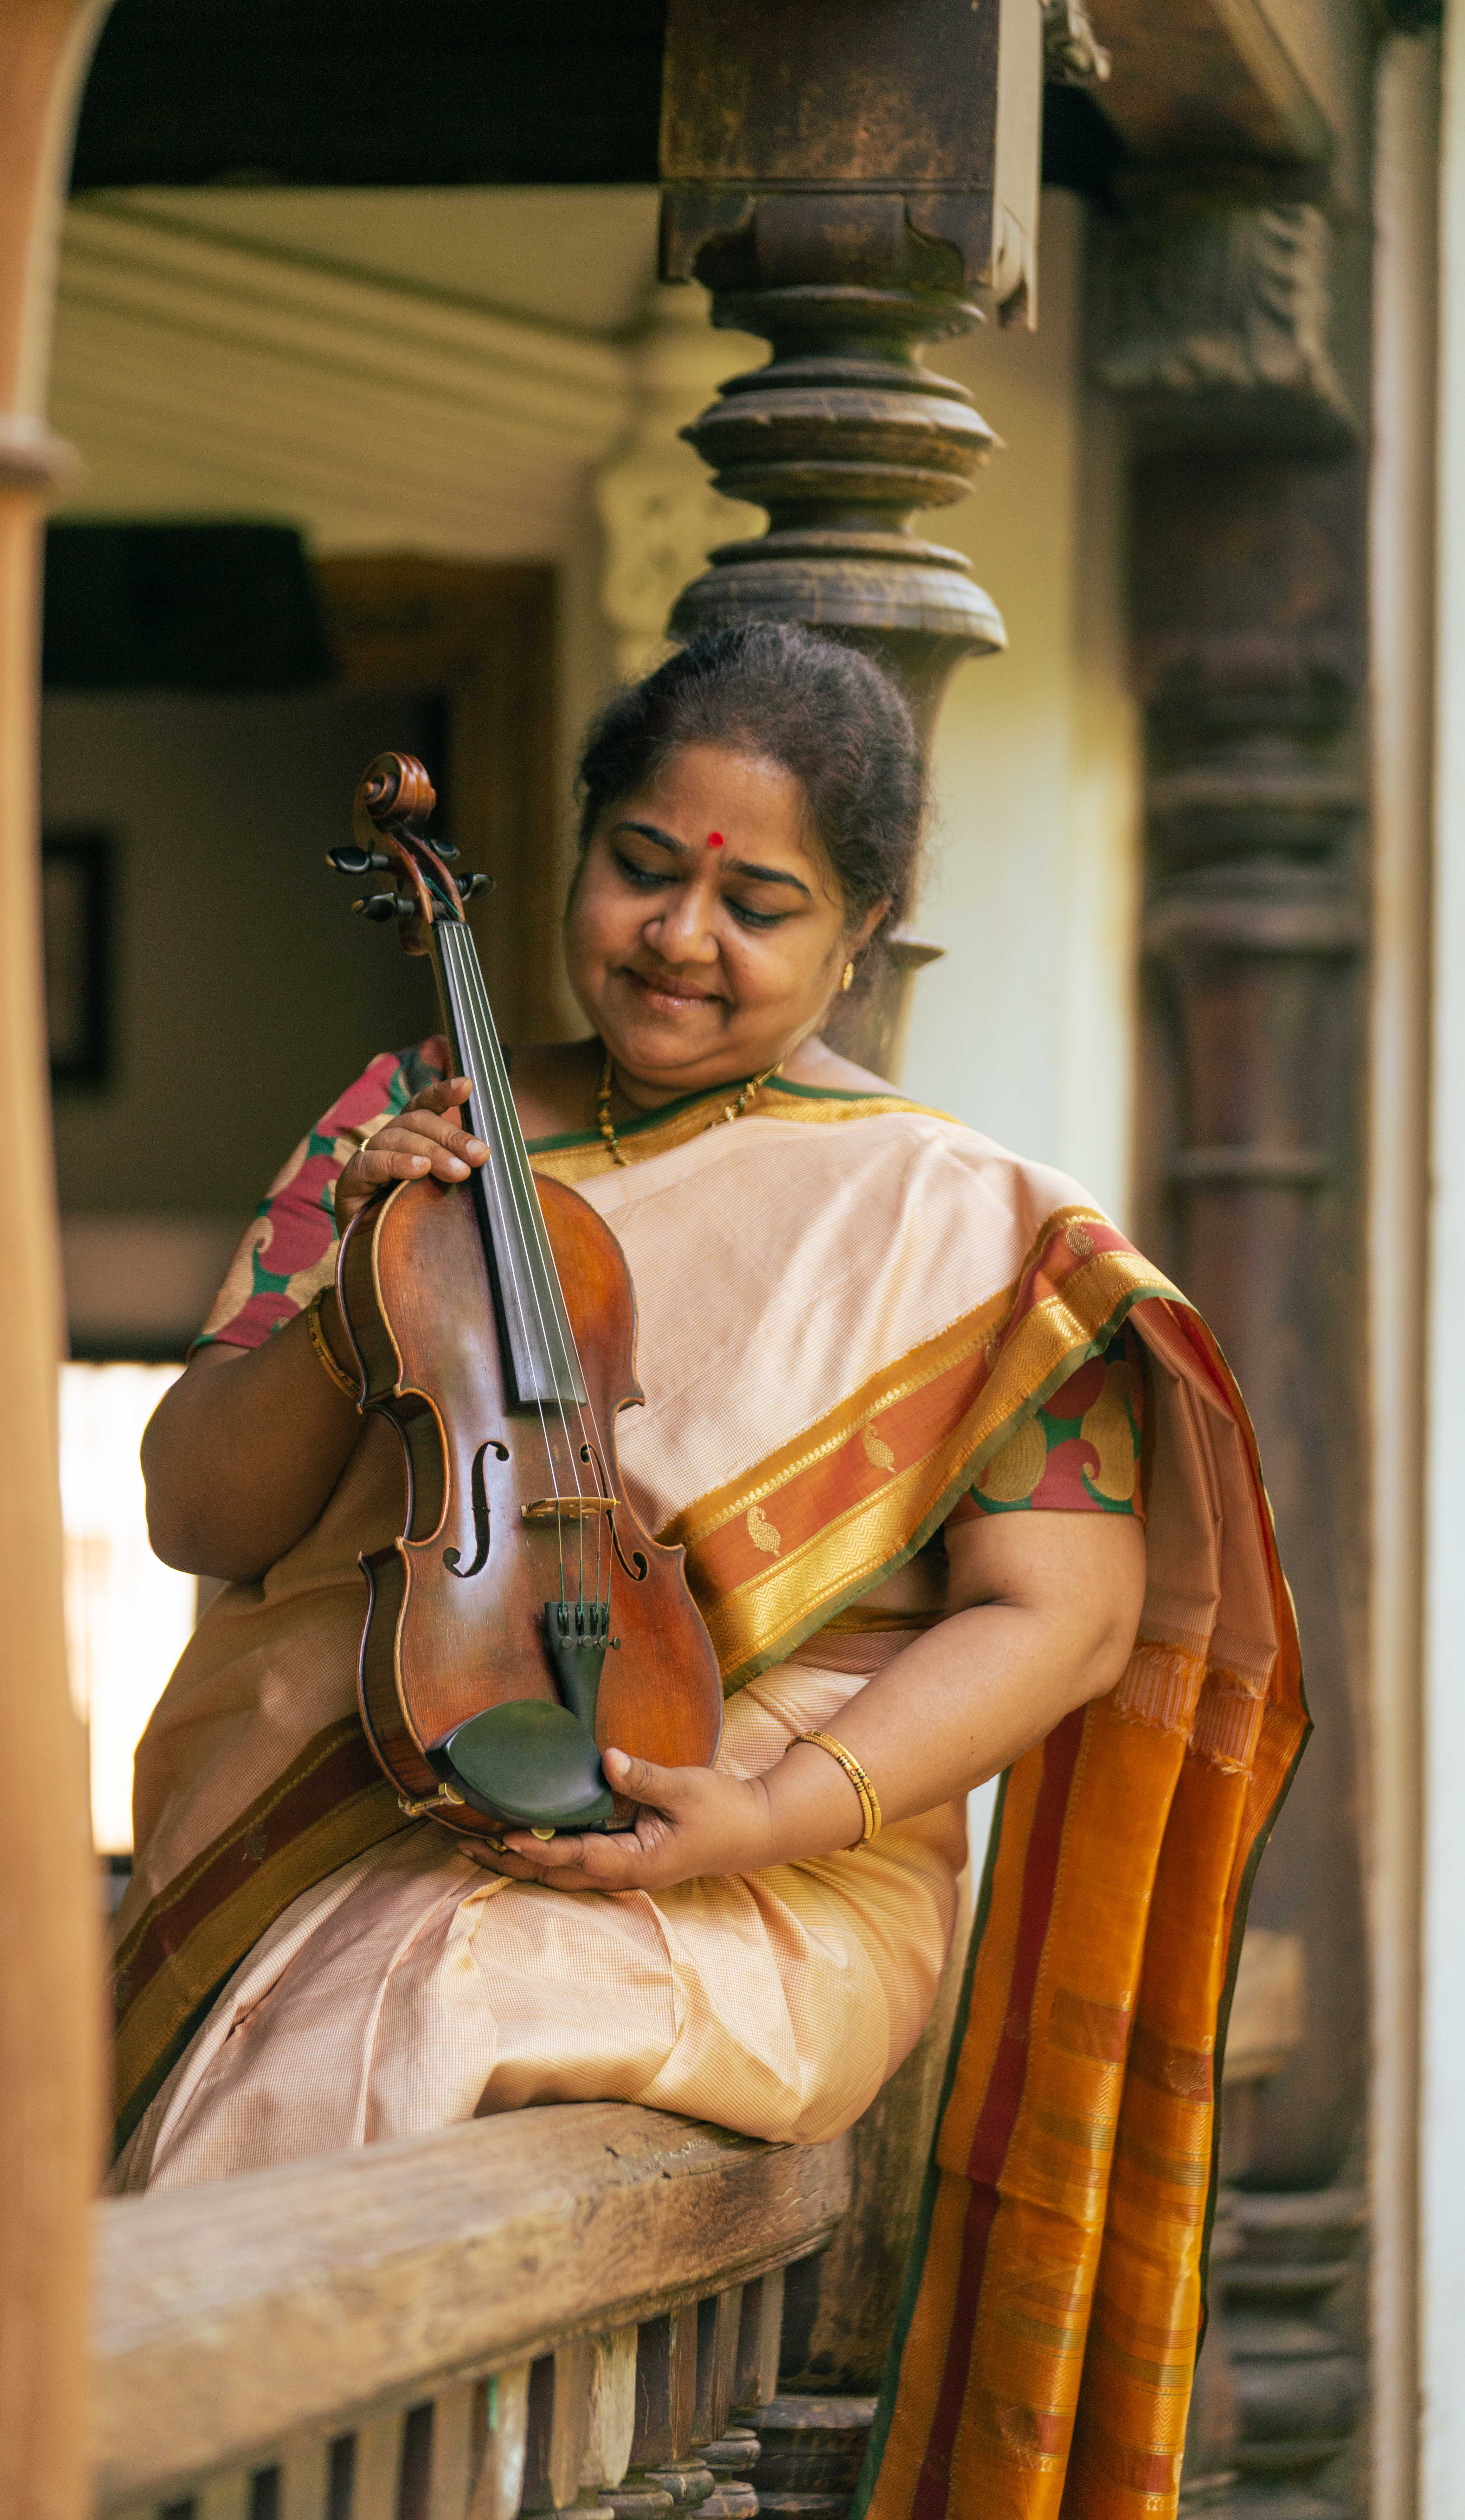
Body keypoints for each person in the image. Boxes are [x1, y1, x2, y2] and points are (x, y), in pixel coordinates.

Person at [109, 626, 1301, 2509]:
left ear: (863, 932)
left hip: (772, 1866)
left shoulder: (954, 1215)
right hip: (337, 1809)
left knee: (430, 2008)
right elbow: (202, 1518)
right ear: (577, 848)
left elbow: (1061, 1615)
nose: (681, 937)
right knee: (349, 2029)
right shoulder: (391, 1130)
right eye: (644, 868)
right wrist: (358, 1293)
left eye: (761, 902)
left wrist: (753, 1810)